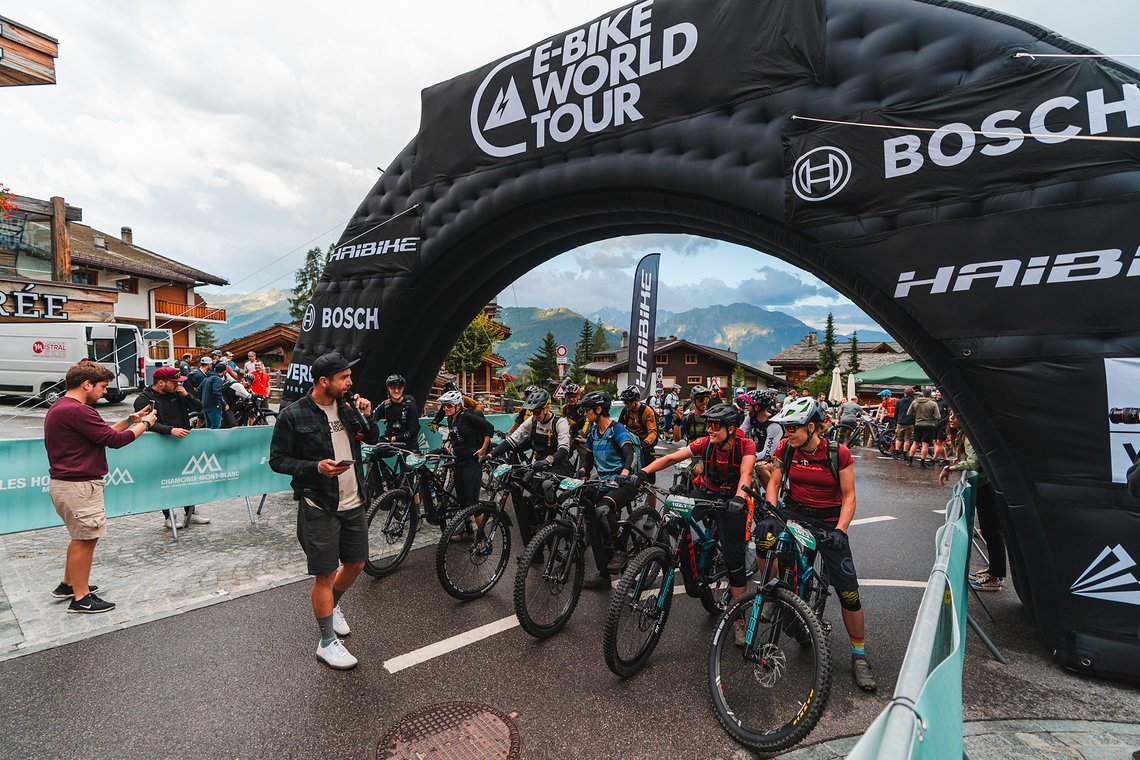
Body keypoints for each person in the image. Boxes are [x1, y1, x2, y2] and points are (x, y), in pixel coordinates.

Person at [268, 352, 379, 670]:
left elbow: (369, 438)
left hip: (354, 500)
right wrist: (315, 467)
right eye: (344, 377)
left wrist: (366, 416)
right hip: (319, 505)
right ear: (323, 381)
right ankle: (327, 642)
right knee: (326, 574)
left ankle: (334, 606)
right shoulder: (293, 414)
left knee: (357, 563)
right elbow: (278, 460)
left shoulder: (347, 407)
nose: (350, 382)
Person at [766, 397, 877, 692]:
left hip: (829, 522)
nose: (786, 433)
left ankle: (859, 655)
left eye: (792, 428)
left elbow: (850, 496)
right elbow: (775, 482)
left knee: (848, 592)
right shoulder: (787, 448)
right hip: (795, 513)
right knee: (766, 542)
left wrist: (841, 530)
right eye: (785, 428)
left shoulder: (837, 453)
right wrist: (770, 510)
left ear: (811, 427)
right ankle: (777, 596)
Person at [637, 403, 755, 642]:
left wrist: (739, 498)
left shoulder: (745, 445)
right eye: (709, 425)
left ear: (731, 428)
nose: (709, 430)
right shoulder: (706, 444)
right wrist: (642, 472)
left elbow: (746, 473)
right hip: (707, 494)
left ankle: (739, 618)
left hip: (733, 500)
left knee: (734, 560)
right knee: (674, 512)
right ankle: (683, 554)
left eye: (715, 426)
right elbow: (671, 457)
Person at [44, 362, 157, 613]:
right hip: (80, 486)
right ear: (87, 384)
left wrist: (129, 420)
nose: (104, 392)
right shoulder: (79, 411)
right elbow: (115, 441)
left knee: (79, 537)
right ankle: (81, 598)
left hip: (67, 485)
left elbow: (102, 435)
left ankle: (69, 584)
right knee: (86, 538)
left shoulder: (62, 407)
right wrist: (146, 424)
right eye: (102, 387)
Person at [488, 388, 572, 545]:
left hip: (559, 465)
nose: (534, 415)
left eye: (537, 412)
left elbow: (564, 449)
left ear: (546, 408)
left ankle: (552, 521)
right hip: (539, 465)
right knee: (530, 502)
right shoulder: (532, 421)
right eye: (532, 412)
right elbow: (513, 440)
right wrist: (491, 454)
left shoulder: (559, 422)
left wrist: (548, 461)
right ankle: (536, 541)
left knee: (547, 485)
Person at [575, 391, 639, 588]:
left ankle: (620, 550)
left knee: (602, 510)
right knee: (587, 509)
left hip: (624, 483)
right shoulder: (593, 433)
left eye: (588, 410)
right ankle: (604, 576)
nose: (586, 414)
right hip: (604, 482)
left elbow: (629, 453)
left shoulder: (617, 429)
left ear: (599, 409)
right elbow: (589, 460)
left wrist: (625, 474)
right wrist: (583, 471)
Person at [939, 410, 1006, 592]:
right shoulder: (964, 434)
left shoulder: (968, 436)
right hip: (986, 486)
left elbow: (973, 463)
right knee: (990, 531)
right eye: (951, 415)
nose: (952, 418)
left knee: (992, 532)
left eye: (956, 415)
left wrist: (949, 467)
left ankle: (994, 578)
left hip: (987, 488)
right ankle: (994, 571)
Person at [135, 366, 208, 529]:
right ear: (161, 383)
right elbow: (145, 424)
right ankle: (168, 516)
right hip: (160, 444)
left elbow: (201, 409)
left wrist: (187, 395)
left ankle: (191, 512)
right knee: (165, 480)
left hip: (182, 443)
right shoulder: (143, 399)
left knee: (187, 478)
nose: (178, 385)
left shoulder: (178, 393)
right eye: (174, 382)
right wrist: (170, 430)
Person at [440, 389, 494, 518]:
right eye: (443, 405)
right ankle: (468, 531)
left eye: (448, 405)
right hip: (460, 460)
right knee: (462, 500)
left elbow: (489, 427)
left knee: (472, 502)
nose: (445, 408)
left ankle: (481, 537)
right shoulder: (450, 419)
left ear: (458, 405)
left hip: (472, 461)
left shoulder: (468, 416)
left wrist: (483, 449)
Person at [617, 385, 659, 506]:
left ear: (636, 400)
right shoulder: (625, 411)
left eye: (629, 402)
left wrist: (645, 443)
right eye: (625, 402)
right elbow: (619, 427)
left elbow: (653, 432)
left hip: (646, 446)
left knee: (650, 482)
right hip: (632, 444)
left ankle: (651, 511)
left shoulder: (647, 411)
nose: (627, 404)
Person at [740, 390, 783, 488]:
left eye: (748, 404)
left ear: (757, 407)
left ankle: (773, 497)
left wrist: (746, 457)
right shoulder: (751, 417)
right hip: (759, 451)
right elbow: (740, 434)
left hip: (777, 458)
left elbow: (767, 454)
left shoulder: (773, 425)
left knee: (761, 467)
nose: (746, 407)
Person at [378, 374, 421, 451]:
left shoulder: (410, 405)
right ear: (388, 388)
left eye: (399, 388)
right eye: (393, 388)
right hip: (390, 443)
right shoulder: (385, 404)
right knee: (373, 456)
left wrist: (394, 438)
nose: (396, 390)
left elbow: (414, 430)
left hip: (408, 444)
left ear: (403, 389)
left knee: (406, 461)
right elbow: (372, 418)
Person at [907, 388, 941, 468]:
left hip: (918, 424)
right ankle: (922, 463)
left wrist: (916, 416)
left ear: (923, 394)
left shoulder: (915, 402)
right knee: (925, 444)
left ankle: (910, 461)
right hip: (929, 425)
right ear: (930, 394)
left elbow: (908, 413)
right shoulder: (933, 404)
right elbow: (938, 416)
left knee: (915, 442)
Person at [198, 360, 227, 429]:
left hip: (205, 405)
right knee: (216, 425)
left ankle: (207, 439)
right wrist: (224, 404)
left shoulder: (207, 377)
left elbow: (199, 390)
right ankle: (214, 439)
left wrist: (203, 400)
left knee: (208, 425)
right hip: (214, 405)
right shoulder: (217, 379)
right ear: (224, 371)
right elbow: (217, 392)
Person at [892, 388, 916, 459]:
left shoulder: (899, 401)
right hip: (910, 423)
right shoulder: (913, 402)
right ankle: (904, 455)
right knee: (907, 440)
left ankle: (896, 453)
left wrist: (895, 423)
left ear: (905, 394)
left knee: (898, 439)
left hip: (900, 422)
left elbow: (896, 413)